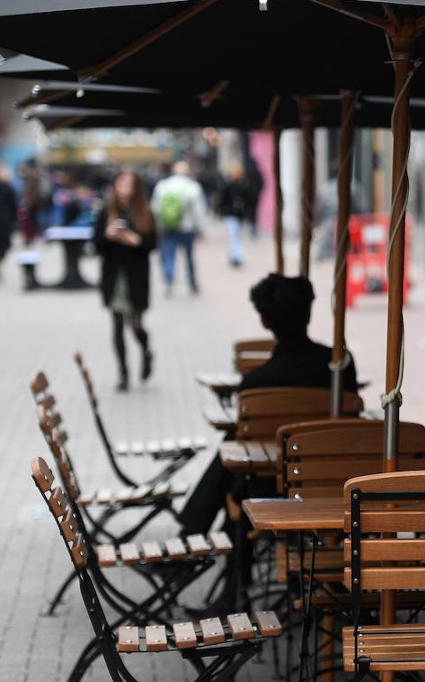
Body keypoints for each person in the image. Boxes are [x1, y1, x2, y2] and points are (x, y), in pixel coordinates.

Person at [178, 273, 359, 608]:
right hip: (340, 485)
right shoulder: (340, 367)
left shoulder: (256, 383)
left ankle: (206, 555)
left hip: (273, 490)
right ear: (308, 313)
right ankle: (201, 542)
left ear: (263, 320)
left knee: (238, 475)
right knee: (235, 467)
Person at [94, 171, 157, 391]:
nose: (125, 188)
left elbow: (152, 243)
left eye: (129, 184)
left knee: (136, 325)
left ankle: (146, 350)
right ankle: (123, 373)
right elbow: (96, 245)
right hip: (114, 276)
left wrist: (135, 240)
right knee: (117, 324)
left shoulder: (145, 212)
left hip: (136, 276)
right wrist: (108, 235)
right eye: (121, 183)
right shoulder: (106, 211)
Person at [150, 160, 205, 296]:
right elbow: (199, 210)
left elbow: (155, 208)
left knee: (169, 255)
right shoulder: (192, 187)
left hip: (168, 227)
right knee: (189, 256)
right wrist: (200, 228)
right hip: (187, 228)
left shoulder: (162, 186)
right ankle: (192, 283)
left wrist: (157, 225)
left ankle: (169, 281)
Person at [216, 162, 253, 267]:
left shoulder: (244, 185)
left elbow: (249, 199)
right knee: (234, 235)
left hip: (239, 214)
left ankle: (236, 255)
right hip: (231, 214)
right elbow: (223, 199)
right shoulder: (228, 185)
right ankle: (235, 256)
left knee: (237, 235)